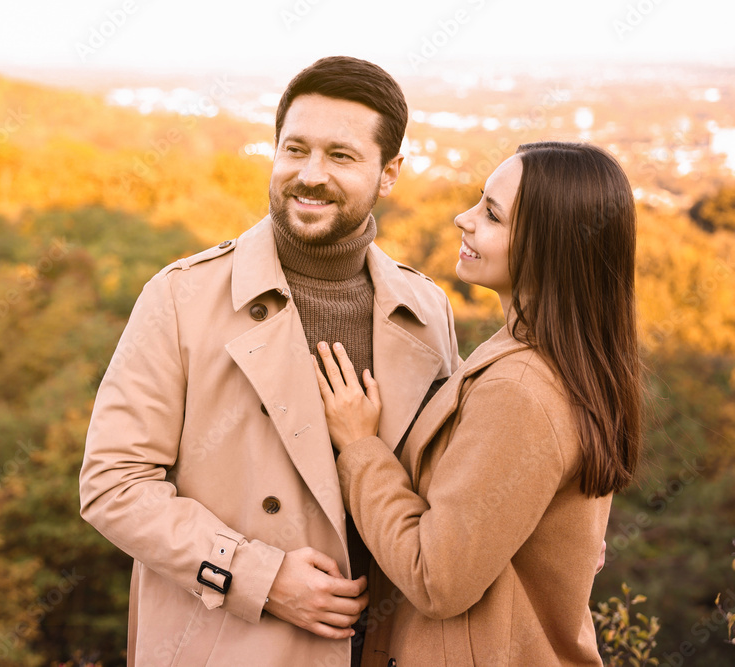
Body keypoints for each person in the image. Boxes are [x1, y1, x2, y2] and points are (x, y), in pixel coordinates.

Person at [79, 56, 461, 666]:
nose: (310, 175)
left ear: (389, 173)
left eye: (341, 156)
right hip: (232, 646)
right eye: (295, 149)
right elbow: (113, 485)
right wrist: (259, 577)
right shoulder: (182, 296)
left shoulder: (427, 309)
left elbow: (450, 495)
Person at [313, 141, 642, 665]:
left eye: (492, 214)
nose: (462, 219)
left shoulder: (519, 390)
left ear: (550, 245)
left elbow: (436, 579)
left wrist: (359, 447)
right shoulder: (556, 358)